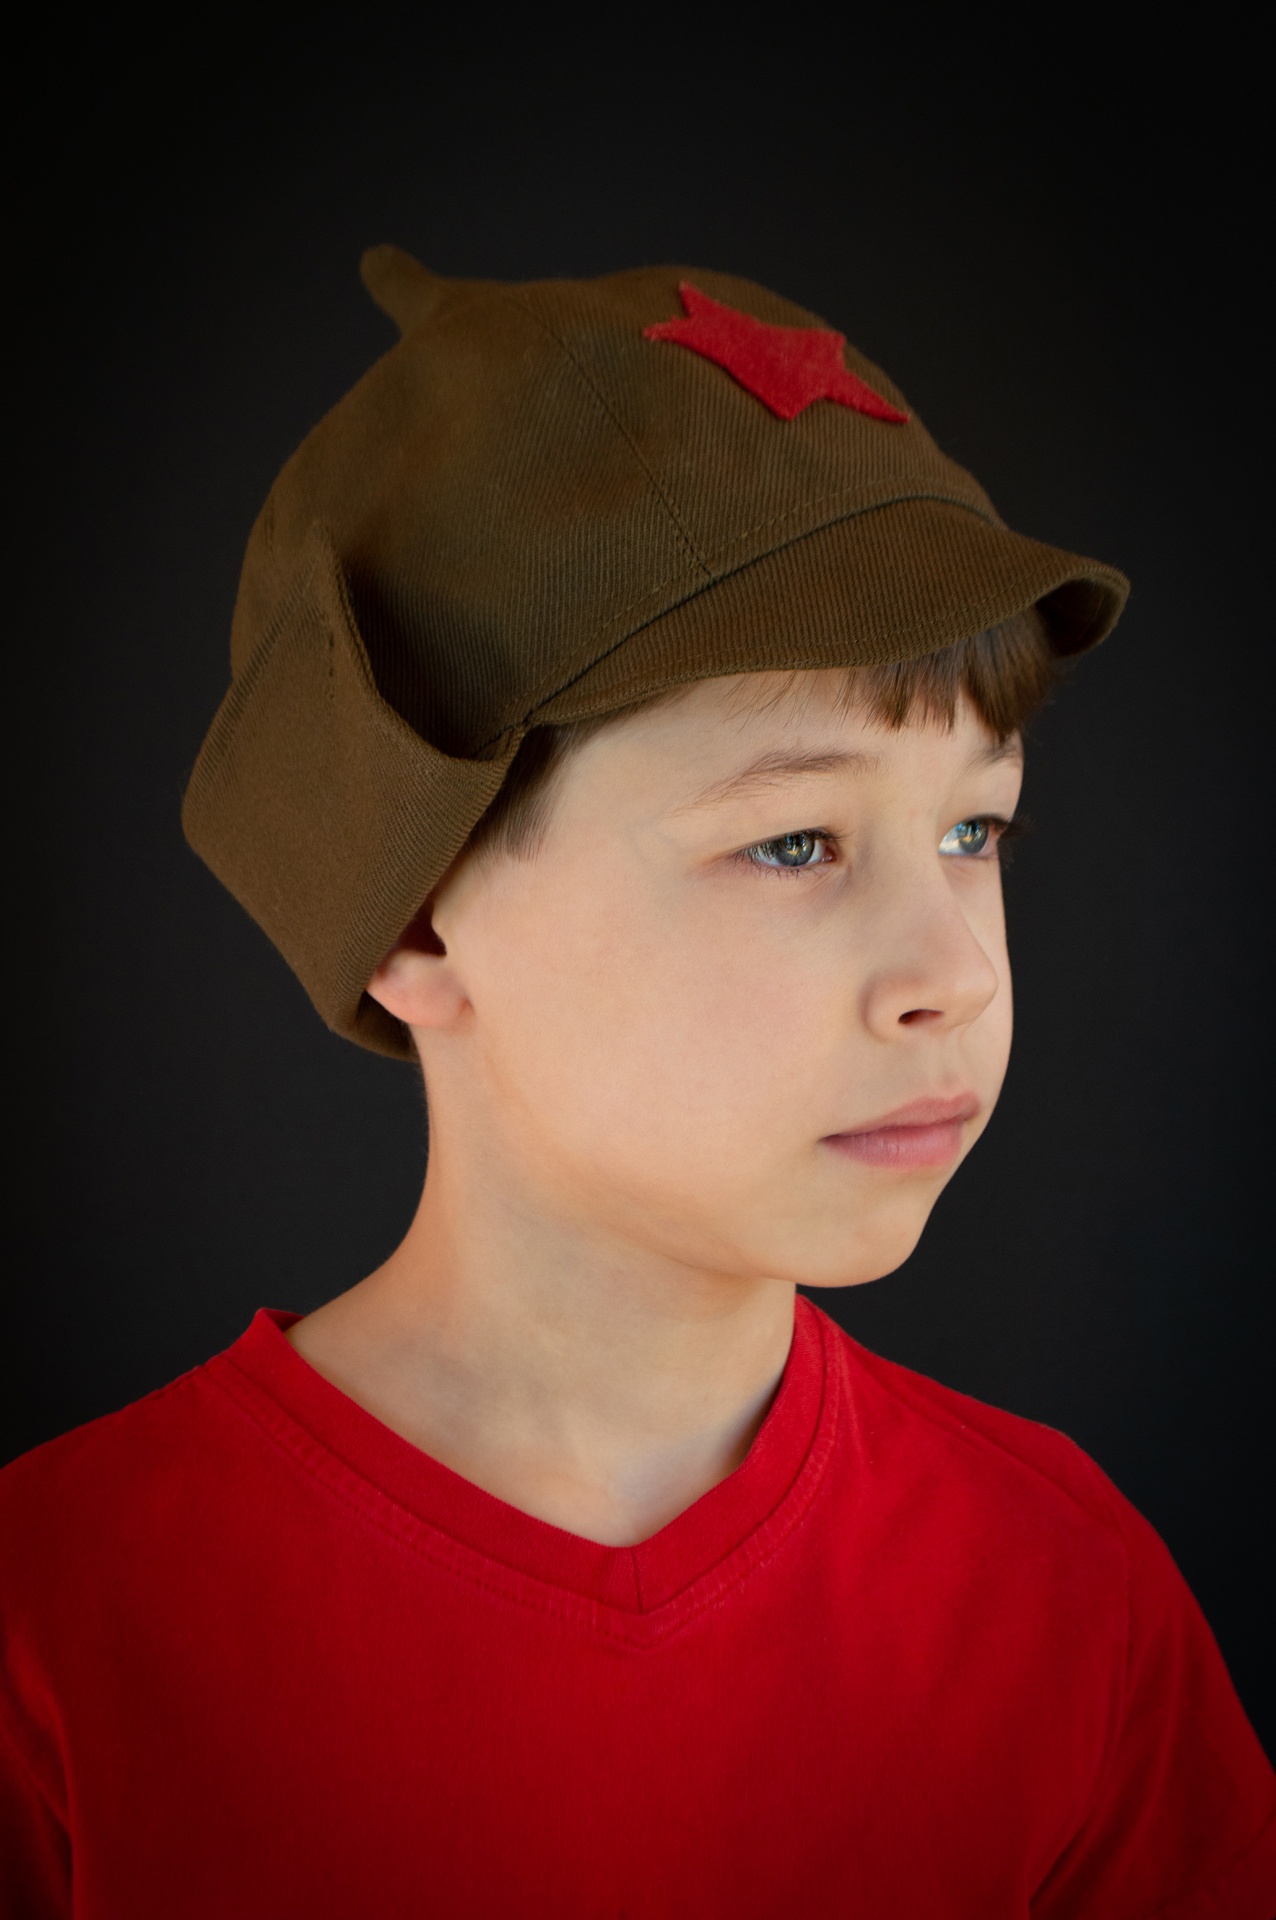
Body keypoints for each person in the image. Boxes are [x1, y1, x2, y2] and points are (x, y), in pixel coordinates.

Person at [2, 251, 1272, 1918]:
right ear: (418, 916)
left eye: (976, 828)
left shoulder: (1070, 1598)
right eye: (795, 842)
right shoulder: (60, 1619)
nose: (955, 970)